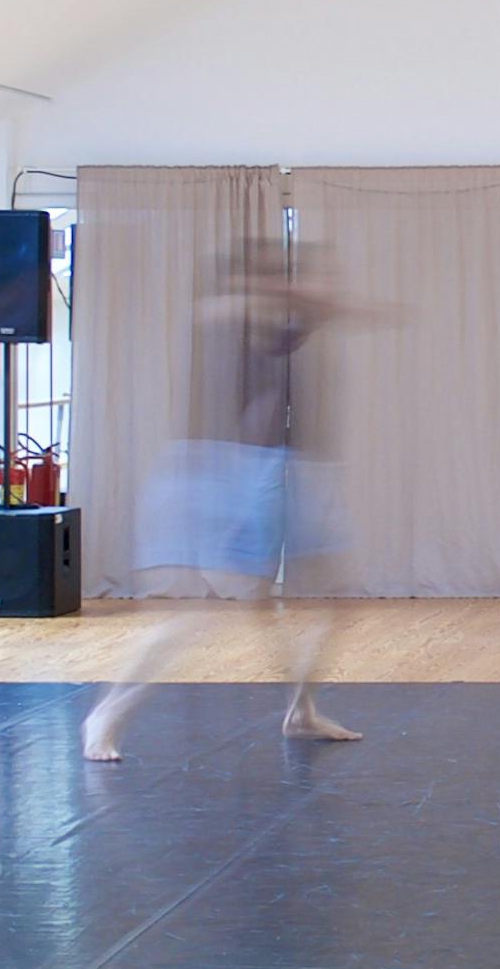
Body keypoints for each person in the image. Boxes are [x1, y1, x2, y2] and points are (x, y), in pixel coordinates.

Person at [84, 232, 359, 758]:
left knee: (334, 599)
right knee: (203, 611)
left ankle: (301, 711)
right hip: (237, 474)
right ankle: (107, 713)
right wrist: (300, 300)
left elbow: (301, 328)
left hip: (288, 471)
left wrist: (321, 306)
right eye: (270, 273)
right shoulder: (225, 314)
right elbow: (236, 317)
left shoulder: (285, 325)